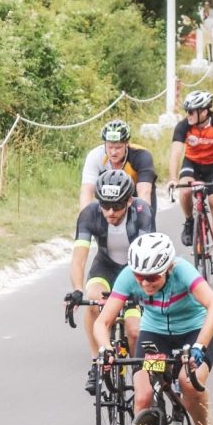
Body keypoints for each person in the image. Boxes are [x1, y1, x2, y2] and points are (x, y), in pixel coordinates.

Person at [94, 233, 213, 425]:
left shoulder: (184, 271)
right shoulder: (130, 276)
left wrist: (200, 346)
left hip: (194, 331)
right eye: (140, 276)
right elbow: (103, 321)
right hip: (155, 336)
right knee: (142, 398)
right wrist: (105, 349)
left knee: (188, 383)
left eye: (152, 277)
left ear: (168, 267)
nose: (144, 282)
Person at [66, 169, 155, 395]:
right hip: (105, 267)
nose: (111, 212)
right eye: (105, 206)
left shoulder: (142, 212)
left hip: (136, 272)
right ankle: (97, 362)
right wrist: (77, 289)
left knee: (134, 330)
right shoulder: (90, 214)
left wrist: (142, 291)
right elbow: (79, 258)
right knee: (94, 299)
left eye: (117, 206)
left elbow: (147, 257)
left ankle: (140, 372)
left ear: (129, 200)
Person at [170, 91, 213, 274]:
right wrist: (173, 179)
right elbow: (175, 153)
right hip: (192, 164)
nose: (188, 115)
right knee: (185, 191)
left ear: (204, 112)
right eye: (187, 111)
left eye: (191, 112)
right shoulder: (183, 126)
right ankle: (189, 221)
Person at [79, 119, 157, 209]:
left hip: (135, 194)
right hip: (107, 195)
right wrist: (84, 219)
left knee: (144, 216)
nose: (113, 152)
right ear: (104, 144)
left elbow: (144, 192)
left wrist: (144, 217)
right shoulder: (95, 156)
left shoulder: (141, 155)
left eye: (118, 147)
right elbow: (87, 191)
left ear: (127, 143)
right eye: (110, 147)